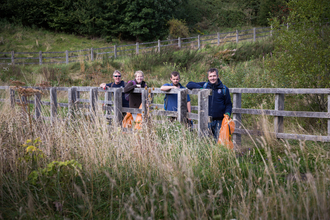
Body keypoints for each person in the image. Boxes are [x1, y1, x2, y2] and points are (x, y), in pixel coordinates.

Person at [186, 68, 232, 140]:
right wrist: (201, 88)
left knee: (220, 143)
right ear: (208, 77)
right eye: (210, 76)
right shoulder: (205, 85)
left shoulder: (224, 89)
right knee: (206, 143)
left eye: (214, 76)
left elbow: (228, 104)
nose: (212, 78)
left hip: (220, 121)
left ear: (217, 76)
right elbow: (189, 84)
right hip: (206, 121)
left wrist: (228, 113)